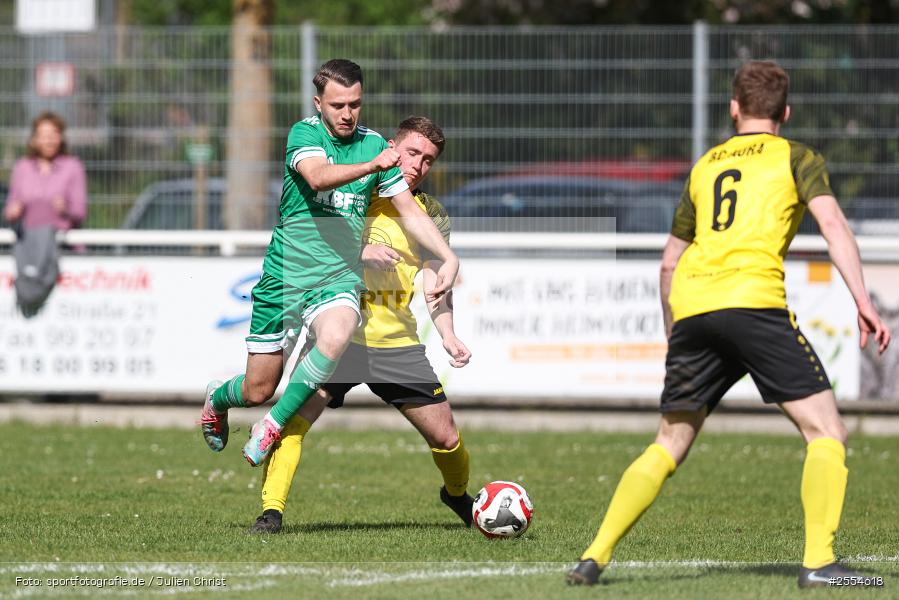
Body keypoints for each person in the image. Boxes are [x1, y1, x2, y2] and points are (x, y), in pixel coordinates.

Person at [566, 61, 891, 589]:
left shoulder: (704, 166)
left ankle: (592, 557)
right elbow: (832, 224)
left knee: (668, 443)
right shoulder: (796, 156)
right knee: (826, 431)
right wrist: (863, 300)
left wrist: (676, 330)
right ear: (784, 112)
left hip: (694, 305)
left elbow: (669, 262)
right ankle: (819, 563)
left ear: (734, 108)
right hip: (753, 303)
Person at [199, 59, 459, 467]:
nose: (347, 113)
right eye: (338, 105)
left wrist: (447, 255)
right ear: (319, 103)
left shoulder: (373, 143)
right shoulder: (305, 134)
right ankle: (219, 397)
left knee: (338, 333)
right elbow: (318, 177)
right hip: (286, 276)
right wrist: (373, 166)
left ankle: (271, 426)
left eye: (355, 104)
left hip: (335, 275)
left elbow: (408, 209)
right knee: (257, 389)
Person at [249, 116, 475, 534]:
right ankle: (271, 513)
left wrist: (447, 333)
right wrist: (360, 248)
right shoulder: (354, 192)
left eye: (428, 160)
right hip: (339, 339)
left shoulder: (431, 214)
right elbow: (312, 240)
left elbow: (434, 279)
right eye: (412, 153)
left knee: (446, 438)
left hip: (397, 345)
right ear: (391, 147)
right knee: (294, 420)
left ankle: (458, 495)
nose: (418, 166)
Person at [3, 111, 87, 233]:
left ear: (61, 138)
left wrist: (66, 210)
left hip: (62, 243)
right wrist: (13, 212)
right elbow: (9, 209)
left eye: (54, 135)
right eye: (44, 136)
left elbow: (80, 212)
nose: (49, 141)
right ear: (34, 139)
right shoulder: (22, 167)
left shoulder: (73, 167)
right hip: (29, 241)